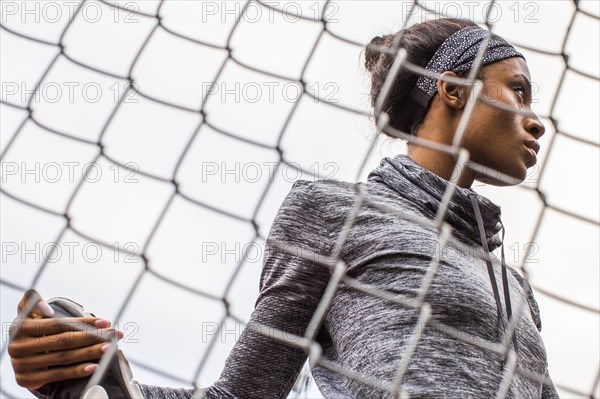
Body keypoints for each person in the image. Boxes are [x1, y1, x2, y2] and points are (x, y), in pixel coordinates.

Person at [8, 17, 559, 398]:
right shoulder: (336, 213)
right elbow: (246, 393)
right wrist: (95, 380)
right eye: (518, 90)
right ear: (453, 88)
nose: (536, 120)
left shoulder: (512, 281)